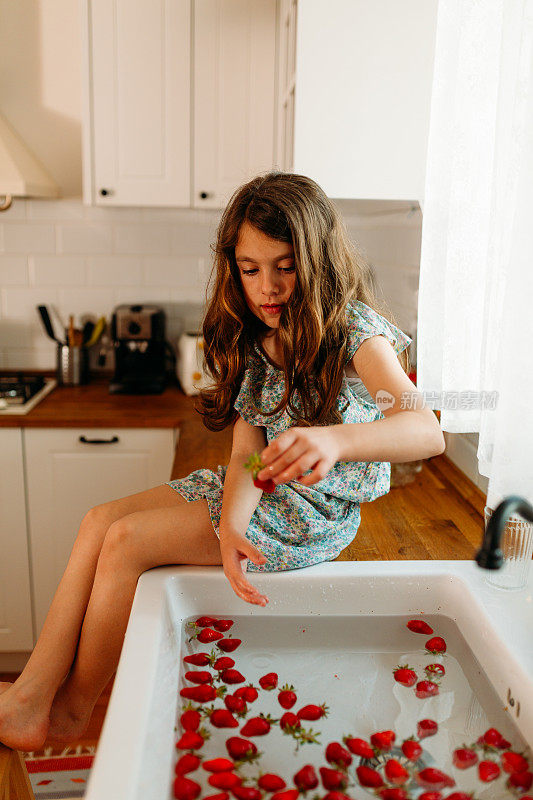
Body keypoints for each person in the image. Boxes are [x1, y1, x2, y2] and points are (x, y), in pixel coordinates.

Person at [0, 172, 444, 751]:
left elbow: (424, 430)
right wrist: (232, 525)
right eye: (250, 267)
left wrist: (336, 441)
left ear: (317, 259)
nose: (268, 287)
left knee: (127, 541)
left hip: (311, 516)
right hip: (261, 494)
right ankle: (31, 696)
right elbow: (246, 453)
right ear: (232, 266)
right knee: (97, 521)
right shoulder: (257, 336)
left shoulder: (355, 334)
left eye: (285, 266)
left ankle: (69, 714)